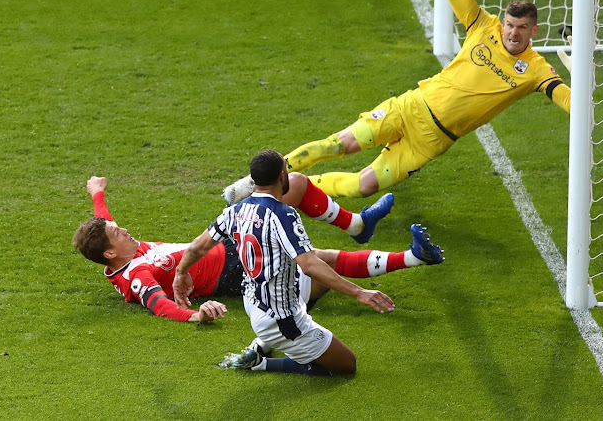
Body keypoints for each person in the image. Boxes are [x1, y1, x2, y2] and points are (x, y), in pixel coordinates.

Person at [223, 0, 571, 202]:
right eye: (510, 25)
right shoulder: (483, 25)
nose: (512, 32)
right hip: (410, 106)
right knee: (337, 145)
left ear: (533, 31)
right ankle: (253, 183)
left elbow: (568, 101)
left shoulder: (537, 69)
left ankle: (291, 189)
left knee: (363, 186)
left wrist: (582, 81)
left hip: (432, 141)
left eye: (521, 28)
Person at [173, 150, 419, 375]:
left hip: (254, 301)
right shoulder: (283, 214)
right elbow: (309, 265)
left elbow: (197, 247)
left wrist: (181, 273)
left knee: (324, 274)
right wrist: (359, 293)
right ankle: (261, 363)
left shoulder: (234, 211)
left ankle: (262, 345)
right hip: (281, 318)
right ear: (282, 177)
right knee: (346, 365)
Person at [73, 175, 443, 323]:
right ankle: (412, 257)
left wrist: (97, 193)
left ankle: (358, 226)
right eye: (115, 232)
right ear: (109, 253)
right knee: (319, 263)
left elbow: (102, 222)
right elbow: (161, 306)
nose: (122, 228)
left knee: (291, 183)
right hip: (238, 273)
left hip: (229, 243)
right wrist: (197, 316)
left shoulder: (120, 250)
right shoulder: (134, 276)